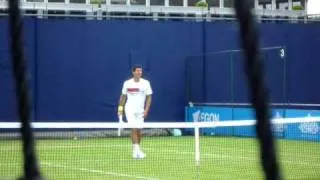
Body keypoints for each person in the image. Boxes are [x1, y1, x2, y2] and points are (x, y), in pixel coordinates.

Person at [118, 65, 152, 159]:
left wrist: (146, 110)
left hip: (140, 110)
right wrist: (120, 109)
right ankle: (136, 152)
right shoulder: (127, 83)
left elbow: (149, 97)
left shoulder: (146, 83)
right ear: (133, 72)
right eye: (137, 71)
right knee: (133, 128)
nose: (139, 73)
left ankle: (136, 150)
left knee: (139, 130)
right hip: (129, 109)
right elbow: (123, 96)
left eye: (140, 71)